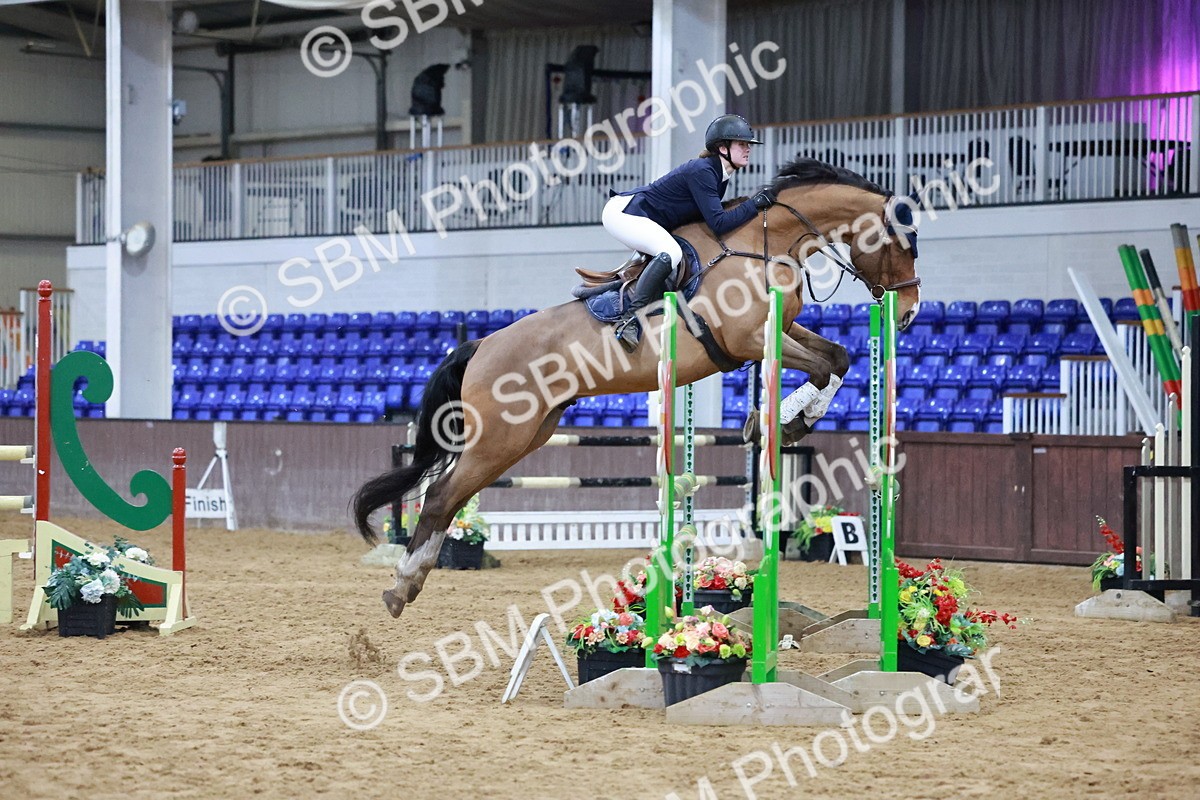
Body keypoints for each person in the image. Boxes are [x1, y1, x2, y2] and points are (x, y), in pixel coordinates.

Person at [601, 113, 776, 351]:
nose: (748, 150)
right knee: (670, 253)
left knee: (672, 253)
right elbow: (719, 223)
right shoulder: (704, 171)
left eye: (748, 145)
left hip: (644, 217)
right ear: (722, 148)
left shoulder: (719, 175)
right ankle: (629, 321)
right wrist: (753, 204)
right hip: (625, 213)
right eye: (742, 144)